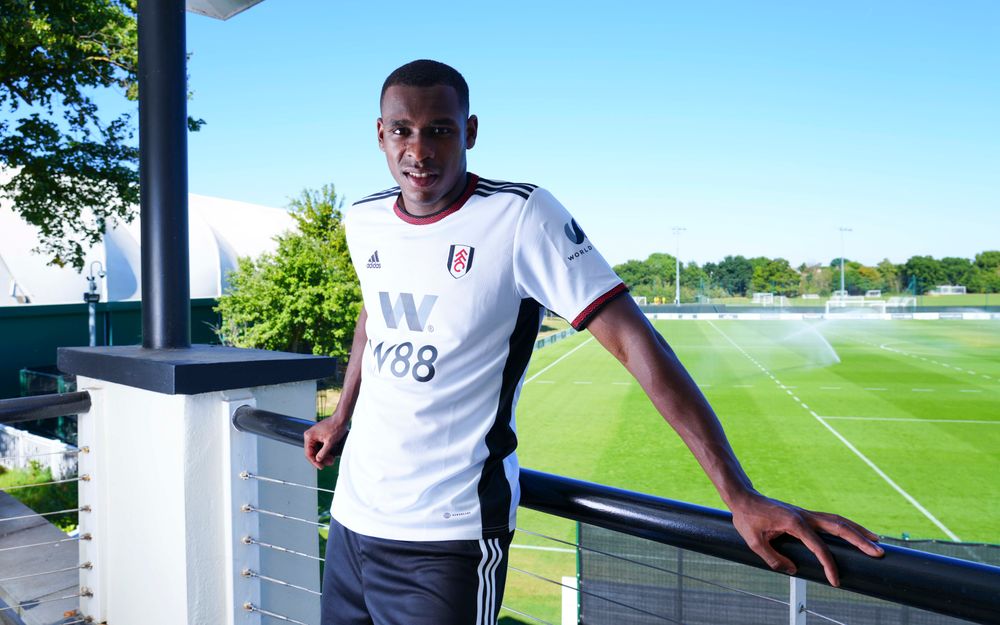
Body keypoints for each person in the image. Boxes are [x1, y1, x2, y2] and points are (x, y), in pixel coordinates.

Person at [304, 59, 883, 625]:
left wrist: (738, 493)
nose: (419, 150)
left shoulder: (521, 216)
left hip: (445, 536)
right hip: (353, 520)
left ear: (470, 132)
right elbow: (374, 314)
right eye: (402, 131)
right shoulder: (365, 219)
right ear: (380, 134)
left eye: (440, 130)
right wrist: (343, 414)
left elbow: (638, 345)